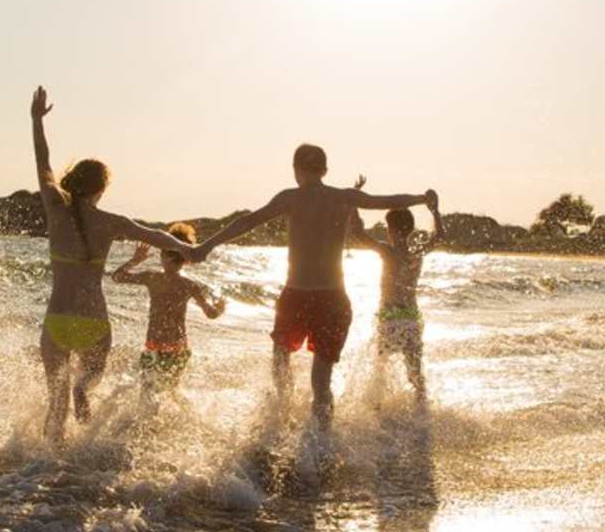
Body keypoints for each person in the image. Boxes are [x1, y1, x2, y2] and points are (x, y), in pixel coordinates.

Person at [189, 143, 434, 427]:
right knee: (321, 381)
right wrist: (421, 198)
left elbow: (248, 221)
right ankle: (321, 443)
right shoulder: (344, 197)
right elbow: (387, 200)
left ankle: (280, 418)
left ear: (296, 170)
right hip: (334, 299)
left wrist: (206, 247)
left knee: (281, 357)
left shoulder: (290, 198)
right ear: (325, 170)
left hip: (296, 295)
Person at [30, 86, 204, 442]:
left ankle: (43, 474)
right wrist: (190, 251)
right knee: (85, 384)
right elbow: (156, 235)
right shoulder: (111, 221)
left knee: (55, 404)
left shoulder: (54, 207)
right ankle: (83, 397)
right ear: (100, 190)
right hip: (94, 321)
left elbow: (43, 163)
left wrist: (36, 121)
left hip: (57, 319)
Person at [347, 189, 448, 401]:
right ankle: (422, 414)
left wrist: (354, 200)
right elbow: (440, 237)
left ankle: (376, 412)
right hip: (411, 318)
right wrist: (435, 211)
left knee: (380, 370)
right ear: (410, 229)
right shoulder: (417, 252)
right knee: (415, 373)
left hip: (389, 318)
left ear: (391, 230)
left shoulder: (387, 252)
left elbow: (357, 233)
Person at [110, 223, 226, 405]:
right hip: (178, 347)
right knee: (170, 392)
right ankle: (174, 423)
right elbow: (211, 314)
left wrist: (135, 260)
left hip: (153, 345)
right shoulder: (190, 285)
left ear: (164, 255)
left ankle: (147, 427)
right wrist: (220, 307)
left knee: (147, 392)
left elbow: (117, 277)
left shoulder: (152, 277)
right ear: (186, 260)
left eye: (162, 252)